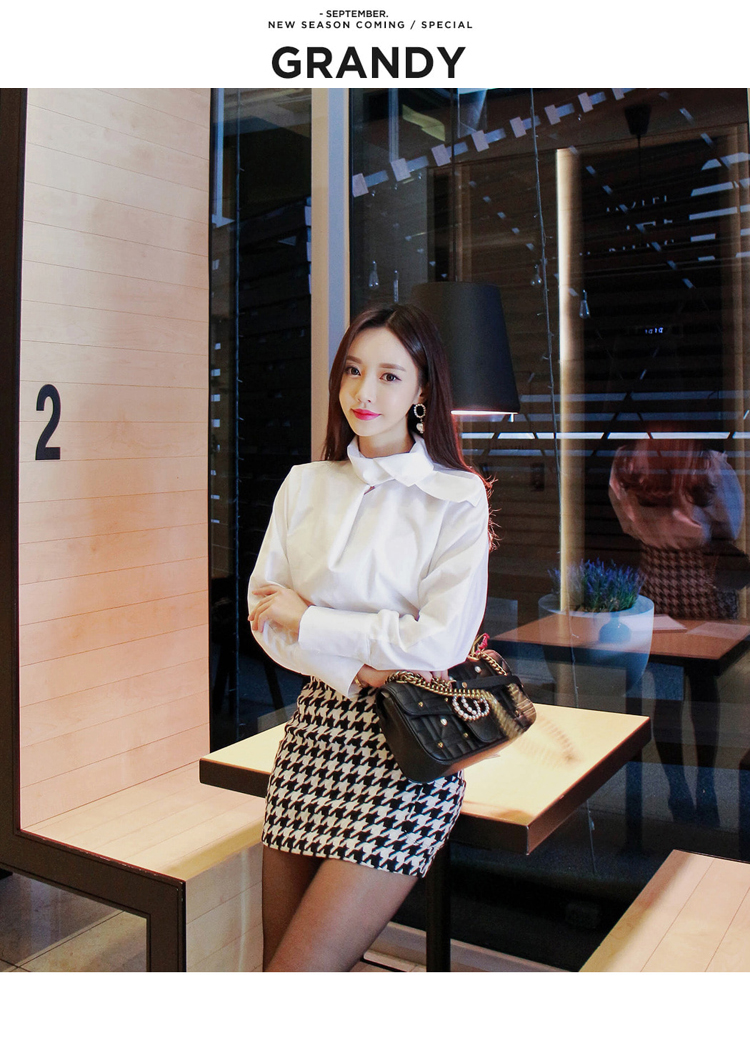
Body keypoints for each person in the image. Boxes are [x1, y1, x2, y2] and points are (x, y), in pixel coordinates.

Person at [247, 303, 491, 971]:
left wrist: (311, 621)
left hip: (409, 751)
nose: (364, 392)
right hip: (314, 735)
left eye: (389, 376)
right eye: (353, 371)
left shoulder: (457, 496)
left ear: (422, 390)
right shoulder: (305, 484)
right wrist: (362, 668)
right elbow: (264, 616)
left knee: (297, 977)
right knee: (279, 969)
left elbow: (439, 643)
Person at [609, 433, 745, 825]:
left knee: (671, 692)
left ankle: (683, 788)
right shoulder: (706, 465)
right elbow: (730, 524)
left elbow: (627, 523)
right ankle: (701, 787)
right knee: (697, 689)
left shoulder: (631, 463)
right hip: (699, 581)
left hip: (660, 579)